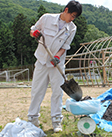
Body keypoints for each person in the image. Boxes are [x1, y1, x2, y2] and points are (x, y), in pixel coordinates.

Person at [28, 0, 82, 133]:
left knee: (57, 93)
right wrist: (34, 33)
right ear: (66, 10)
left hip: (57, 64)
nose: (72, 19)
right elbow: (33, 30)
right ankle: (32, 119)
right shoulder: (46, 18)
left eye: (75, 17)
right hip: (41, 61)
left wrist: (57, 56)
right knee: (37, 91)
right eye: (72, 15)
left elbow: (65, 46)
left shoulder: (72, 28)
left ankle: (56, 120)